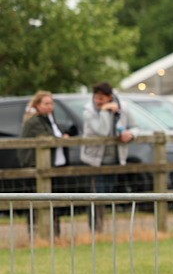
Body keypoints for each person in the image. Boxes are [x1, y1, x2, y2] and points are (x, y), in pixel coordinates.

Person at [81, 81, 138, 230]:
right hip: (95, 160)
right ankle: (95, 229)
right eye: (95, 98)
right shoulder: (89, 111)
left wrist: (130, 134)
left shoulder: (123, 108)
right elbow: (103, 131)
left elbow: (136, 126)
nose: (97, 101)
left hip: (116, 159)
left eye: (101, 98)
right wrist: (105, 111)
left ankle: (102, 228)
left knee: (107, 194)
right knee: (96, 195)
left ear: (109, 97)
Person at [18, 91, 69, 171]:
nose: (50, 106)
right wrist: (63, 139)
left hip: (53, 163)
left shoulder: (49, 118)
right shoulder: (34, 121)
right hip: (37, 165)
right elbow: (47, 138)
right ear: (37, 105)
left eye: (51, 103)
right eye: (46, 104)